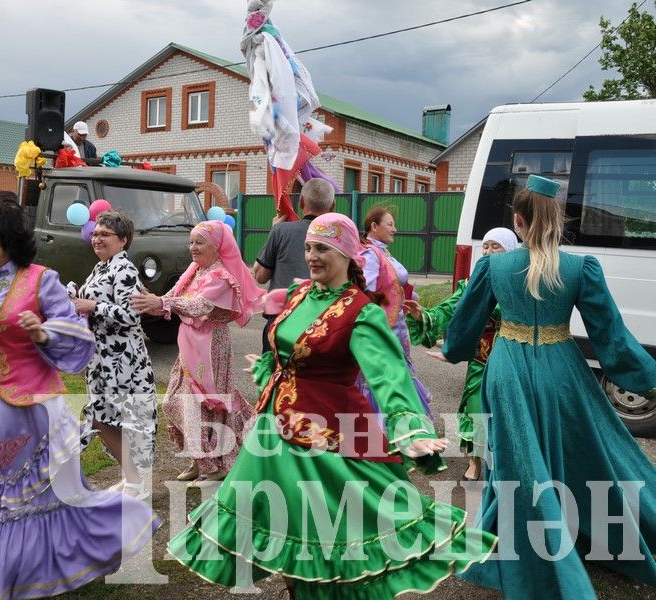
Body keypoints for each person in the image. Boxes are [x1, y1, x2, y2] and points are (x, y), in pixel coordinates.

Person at [167, 213, 496, 598]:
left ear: (345, 253)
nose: (311, 255)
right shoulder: (300, 294)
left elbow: (390, 378)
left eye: (322, 248)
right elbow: (285, 346)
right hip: (274, 437)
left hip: (328, 443)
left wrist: (412, 431)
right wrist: (270, 367)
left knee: (328, 540)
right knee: (282, 532)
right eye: (308, 247)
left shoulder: (361, 312)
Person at [440, 175, 656, 598]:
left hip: (508, 372)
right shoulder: (580, 268)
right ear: (558, 219)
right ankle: (566, 531)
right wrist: (647, 377)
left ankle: (523, 547)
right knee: (571, 448)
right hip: (563, 370)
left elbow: (466, 325)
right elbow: (611, 338)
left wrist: (452, 349)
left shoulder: (493, 265)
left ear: (517, 222)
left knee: (516, 459)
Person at [0, 198, 159, 600]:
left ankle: (2, 578)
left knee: (26, 496)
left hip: (35, 408)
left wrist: (43, 334)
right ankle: (42, 565)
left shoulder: (40, 280)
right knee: (29, 498)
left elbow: (77, 333)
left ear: (7, 240)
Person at [130, 221, 263, 486]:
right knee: (173, 401)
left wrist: (163, 302)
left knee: (202, 405)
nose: (193, 247)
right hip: (190, 342)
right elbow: (173, 298)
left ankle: (214, 468)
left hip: (210, 344)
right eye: (191, 242)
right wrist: (153, 303)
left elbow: (199, 305)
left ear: (217, 247)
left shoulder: (222, 276)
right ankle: (199, 460)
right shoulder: (195, 270)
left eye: (199, 242)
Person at [403, 227, 519, 481]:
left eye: (495, 246)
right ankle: (475, 462)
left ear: (509, 251)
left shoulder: (519, 282)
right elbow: (449, 309)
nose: (488, 251)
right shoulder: (471, 285)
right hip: (481, 362)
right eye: (485, 246)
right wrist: (424, 315)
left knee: (508, 416)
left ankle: (505, 463)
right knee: (477, 411)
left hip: (512, 363)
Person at [72, 211, 157, 500]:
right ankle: (132, 480)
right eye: (95, 234)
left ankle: (136, 483)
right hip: (101, 359)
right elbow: (91, 299)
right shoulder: (102, 267)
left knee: (114, 419)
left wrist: (92, 306)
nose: (97, 239)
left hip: (122, 362)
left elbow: (131, 315)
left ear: (123, 240)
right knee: (105, 418)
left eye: (105, 234)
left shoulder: (124, 269)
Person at [358, 205, 433, 416]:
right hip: (384, 331)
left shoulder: (381, 252)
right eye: (389, 224)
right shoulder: (370, 254)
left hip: (396, 329)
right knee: (385, 382)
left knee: (397, 379)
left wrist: (407, 298)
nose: (395, 229)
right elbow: (368, 293)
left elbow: (392, 287)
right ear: (374, 226)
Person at [253, 178, 335, 352]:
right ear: (333, 206)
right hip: (323, 324)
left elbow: (260, 276)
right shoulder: (339, 238)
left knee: (275, 377)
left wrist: (273, 232)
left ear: (302, 202)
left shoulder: (281, 231)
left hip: (281, 321)